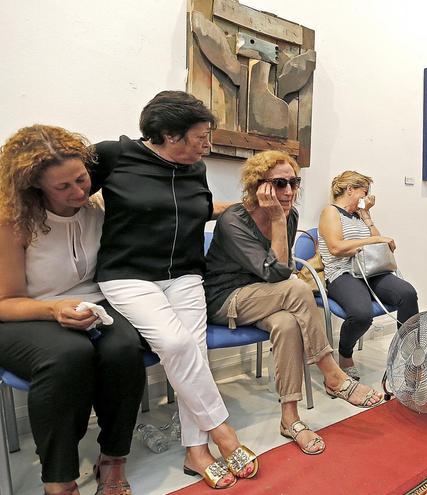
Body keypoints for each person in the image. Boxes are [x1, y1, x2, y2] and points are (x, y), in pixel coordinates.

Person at [91, 91, 257, 489]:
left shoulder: (194, 170)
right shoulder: (114, 156)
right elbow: (62, 187)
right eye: (201, 137)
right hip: (128, 274)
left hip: (184, 274)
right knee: (176, 344)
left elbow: (199, 208)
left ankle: (195, 452)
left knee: (193, 351)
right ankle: (223, 433)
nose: (207, 145)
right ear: (168, 135)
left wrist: (245, 206)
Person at [204, 151, 382, 455]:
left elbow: (278, 274)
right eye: (280, 183)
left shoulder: (291, 215)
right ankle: (333, 375)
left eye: (294, 182)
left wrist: (280, 219)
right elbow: (278, 273)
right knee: (296, 288)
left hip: (266, 295)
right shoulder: (235, 219)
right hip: (226, 298)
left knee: (287, 324)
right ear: (257, 185)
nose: (288, 192)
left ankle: (290, 418)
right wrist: (275, 219)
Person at [0, 125, 145, 495]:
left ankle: (113, 457)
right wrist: (54, 310)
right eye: (63, 187)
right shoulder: (12, 222)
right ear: (35, 187)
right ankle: (59, 478)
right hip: (27, 313)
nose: (79, 192)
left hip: (91, 304)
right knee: (68, 355)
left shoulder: (94, 207)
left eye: (81, 179)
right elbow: (6, 302)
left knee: (125, 348)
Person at [318, 171, 419, 379]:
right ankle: (345, 354)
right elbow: (336, 247)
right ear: (350, 190)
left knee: (407, 293)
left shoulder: (358, 216)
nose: (367, 199)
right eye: (364, 193)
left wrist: (366, 215)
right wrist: (374, 241)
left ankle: (408, 357)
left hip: (370, 271)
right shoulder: (331, 212)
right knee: (362, 314)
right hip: (342, 273)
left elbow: (378, 242)